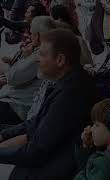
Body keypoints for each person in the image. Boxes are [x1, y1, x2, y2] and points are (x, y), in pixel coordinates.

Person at [0, 29, 101, 179]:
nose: (36, 59)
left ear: (60, 60)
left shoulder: (72, 93)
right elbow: (35, 123)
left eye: (41, 54)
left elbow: (36, 152)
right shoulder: (68, 83)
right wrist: (4, 134)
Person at [0, 16, 56, 125]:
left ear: (38, 36)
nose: (29, 36)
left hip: (19, 107)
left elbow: (13, 77)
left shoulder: (40, 54)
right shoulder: (43, 50)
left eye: (31, 33)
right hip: (18, 103)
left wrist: (25, 57)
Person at [74, 99, 109, 180]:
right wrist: (85, 145)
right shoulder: (103, 154)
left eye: (96, 125)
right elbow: (87, 170)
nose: (91, 129)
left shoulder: (103, 163)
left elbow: (84, 172)